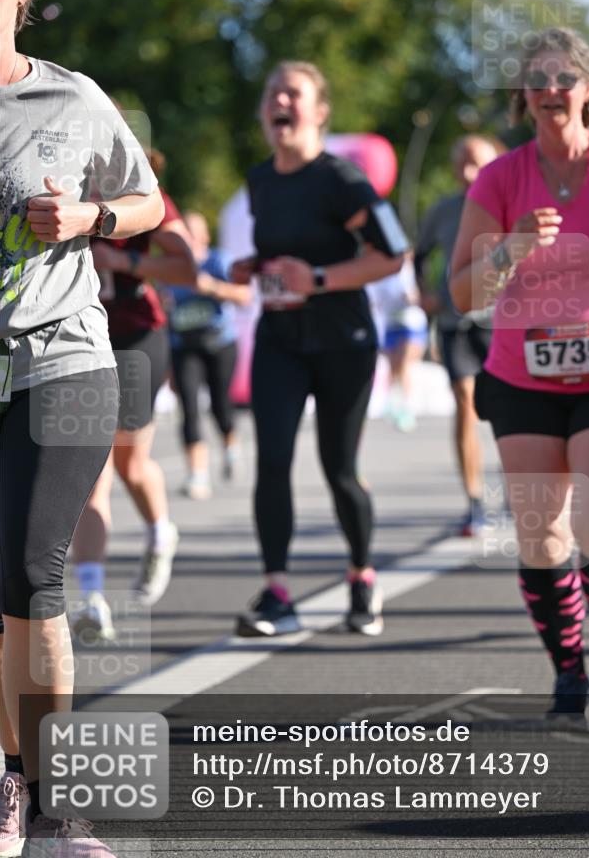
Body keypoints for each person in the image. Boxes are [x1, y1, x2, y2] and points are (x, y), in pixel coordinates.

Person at [0, 0, 164, 852]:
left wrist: (92, 215)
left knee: (35, 574)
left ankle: (58, 800)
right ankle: (16, 779)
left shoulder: (72, 98)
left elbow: (148, 203)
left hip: (62, 359)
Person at [450, 27, 589, 724]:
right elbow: (459, 292)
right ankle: (567, 667)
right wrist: (507, 250)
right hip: (524, 376)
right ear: (522, 95)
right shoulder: (499, 178)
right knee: (542, 538)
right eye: (535, 80)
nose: (549, 91)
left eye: (562, 78)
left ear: (587, 89)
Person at [231, 61, 405, 638]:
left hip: (342, 342)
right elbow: (286, 247)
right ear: (262, 111)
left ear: (320, 111)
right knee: (272, 461)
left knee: (340, 470)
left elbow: (392, 254)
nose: (280, 101)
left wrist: (320, 279)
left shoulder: (343, 180)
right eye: (271, 92)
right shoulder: (260, 180)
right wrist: (257, 267)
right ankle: (277, 592)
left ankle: (361, 576)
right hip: (281, 340)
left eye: (294, 93)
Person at [69, 148, 196, 643]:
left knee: (130, 463)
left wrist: (123, 259)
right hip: (82, 341)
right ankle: (93, 600)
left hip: (138, 340)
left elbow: (188, 268)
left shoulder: (146, 199)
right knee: (90, 471)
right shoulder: (58, 195)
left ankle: (161, 529)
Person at [415, 135, 502, 533]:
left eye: (477, 164)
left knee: (509, 409)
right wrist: (425, 294)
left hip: (502, 322)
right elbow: (418, 255)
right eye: (461, 164)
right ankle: (475, 501)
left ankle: (523, 491)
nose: (468, 173)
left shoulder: (510, 204)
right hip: (455, 323)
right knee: (465, 403)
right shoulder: (444, 210)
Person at [168, 210, 251, 499]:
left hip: (219, 344)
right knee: (189, 408)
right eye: (182, 233)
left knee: (220, 406)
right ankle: (198, 475)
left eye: (192, 232)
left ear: (204, 236)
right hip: (184, 345)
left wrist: (212, 287)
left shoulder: (219, 261)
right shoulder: (169, 268)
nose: (187, 238)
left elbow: (245, 296)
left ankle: (230, 444)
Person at [366, 252, 428, 432]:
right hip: (390, 325)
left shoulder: (406, 270)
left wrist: (412, 297)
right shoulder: (379, 275)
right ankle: (394, 405)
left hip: (411, 324)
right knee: (393, 370)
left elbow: (415, 295)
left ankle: (408, 407)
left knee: (405, 366)